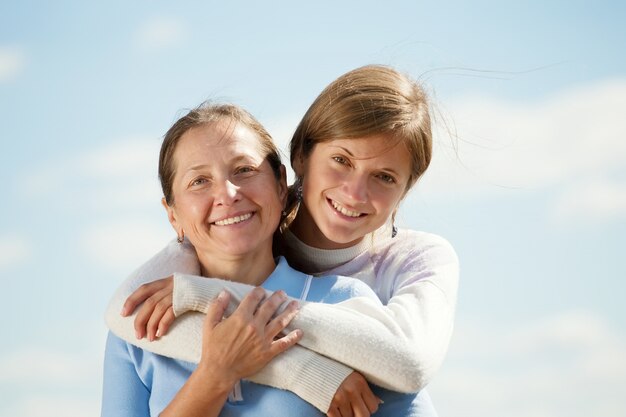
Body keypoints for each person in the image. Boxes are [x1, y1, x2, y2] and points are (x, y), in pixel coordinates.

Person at [107, 65, 459, 416]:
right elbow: (122, 307)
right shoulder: (139, 322)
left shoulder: (352, 306)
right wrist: (219, 374)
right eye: (198, 181)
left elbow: (407, 362)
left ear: (279, 182)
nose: (228, 194)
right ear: (173, 215)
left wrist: (208, 299)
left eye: (244, 170)